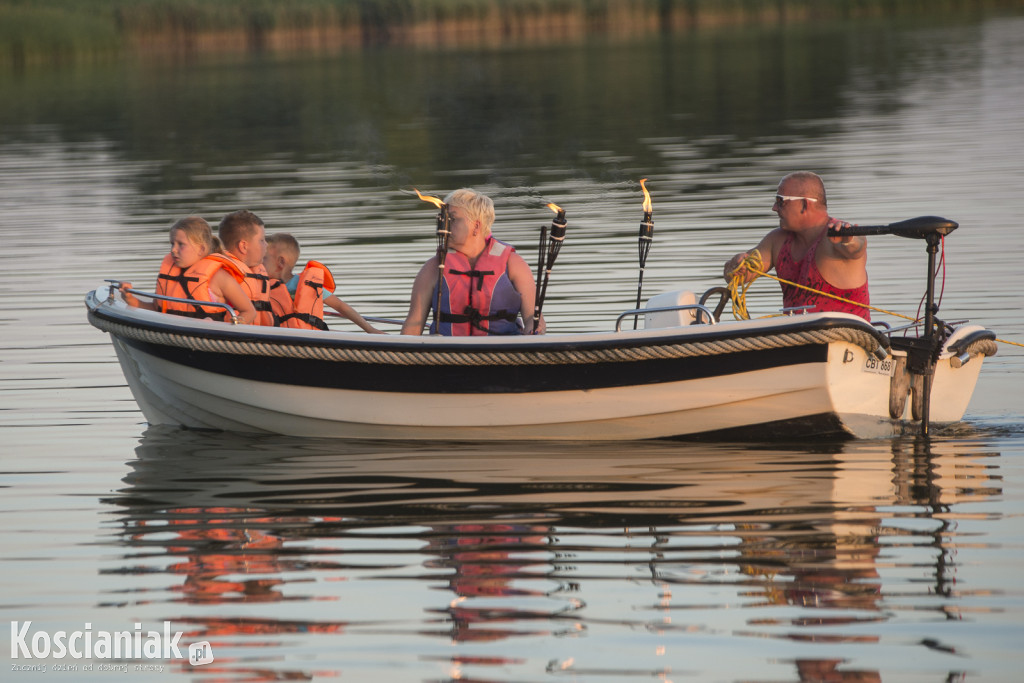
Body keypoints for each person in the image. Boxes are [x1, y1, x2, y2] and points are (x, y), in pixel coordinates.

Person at [723, 171, 870, 321]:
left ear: (805, 204)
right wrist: (735, 265)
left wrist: (849, 239)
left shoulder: (836, 235)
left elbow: (857, 248)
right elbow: (736, 277)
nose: (774, 208)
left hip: (846, 337)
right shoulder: (777, 240)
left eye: (781, 201)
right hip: (796, 337)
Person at [401, 188, 540, 336]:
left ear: (476, 226)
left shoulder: (513, 264)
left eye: (452, 220)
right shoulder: (433, 268)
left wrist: (534, 331)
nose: (444, 226)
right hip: (446, 355)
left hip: (504, 352)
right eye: (443, 219)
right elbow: (413, 326)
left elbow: (533, 317)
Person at [119, 216, 257, 324]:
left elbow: (249, 311)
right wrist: (130, 298)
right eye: (172, 244)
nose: (173, 250)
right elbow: (156, 309)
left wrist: (227, 327)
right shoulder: (168, 274)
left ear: (201, 249)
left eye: (181, 245)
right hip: (170, 338)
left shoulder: (219, 277)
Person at [263, 232, 383, 333]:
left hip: (311, 338)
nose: (258, 262)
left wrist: (371, 330)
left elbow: (341, 306)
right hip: (279, 339)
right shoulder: (262, 287)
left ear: (281, 262)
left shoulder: (307, 285)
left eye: (264, 258)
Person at [218, 210, 273, 326]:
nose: (266, 245)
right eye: (262, 240)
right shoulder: (221, 276)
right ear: (243, 246)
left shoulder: (256, 271)